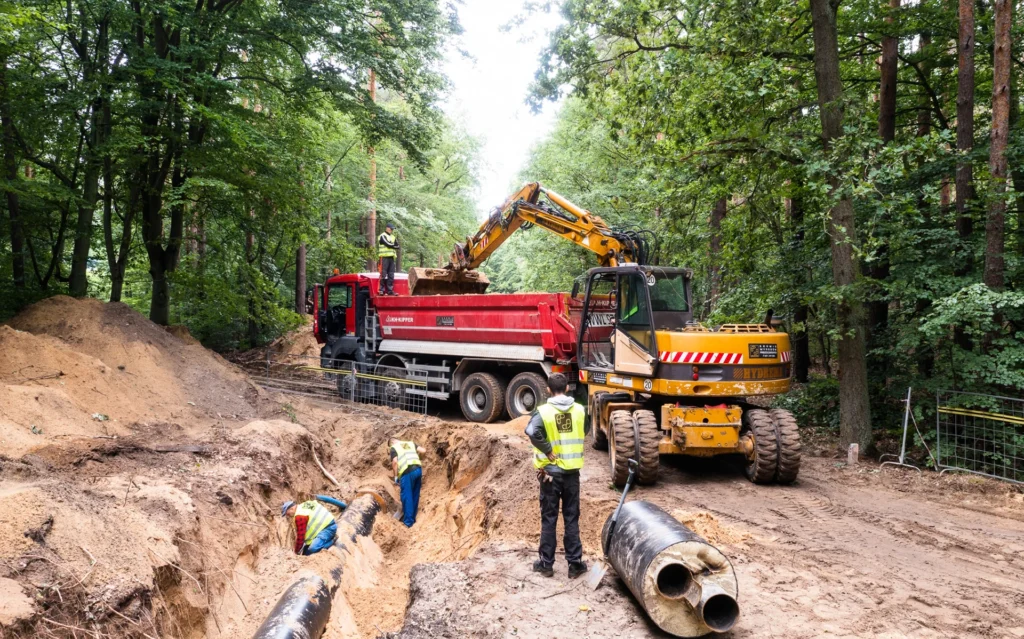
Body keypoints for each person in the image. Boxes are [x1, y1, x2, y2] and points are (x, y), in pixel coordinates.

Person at [524, 372, 588, 579]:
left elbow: (532, 432)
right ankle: (575, 564)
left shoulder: (543, 411)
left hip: (550, 473)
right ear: (568, 388)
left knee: (549, 518)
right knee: (571, 517)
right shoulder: (579, 410)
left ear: (549, 390)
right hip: (572, 473)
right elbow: (584, 430)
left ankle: (546, 564)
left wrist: (548, 449)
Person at [281, 495, 347, 556]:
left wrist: (296, 551)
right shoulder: (306, 504)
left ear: (291, 509)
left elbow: (301, 537)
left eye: (288, 514)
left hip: (327, 529)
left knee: (313, 548)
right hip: (328, 525)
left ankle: (333, 540)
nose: (288, 516)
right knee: (306, 554)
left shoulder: (299, 515)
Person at [389, 438, 425, 527]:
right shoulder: (410, 443)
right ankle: (413, 518)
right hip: (418, 469)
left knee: (407, 496)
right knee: (415, 495)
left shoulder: (394, 447)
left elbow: (394, 462)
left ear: (391, 442)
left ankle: (408, 522)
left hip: (407, 472)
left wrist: (396, 476)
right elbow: (423, 450)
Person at [378, 223, 399, 295]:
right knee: (383, 274)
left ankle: (390, 291)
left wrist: (392, 245)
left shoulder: (393, 237)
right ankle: (381, 290)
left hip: (391, 258)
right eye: (391, 228)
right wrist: (392, 245)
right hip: (384, 257)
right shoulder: (382, 236)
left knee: (391, 274)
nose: (391, 230)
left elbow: (398, 246)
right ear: (387, 228)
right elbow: (388, 244)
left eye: (392, 229)